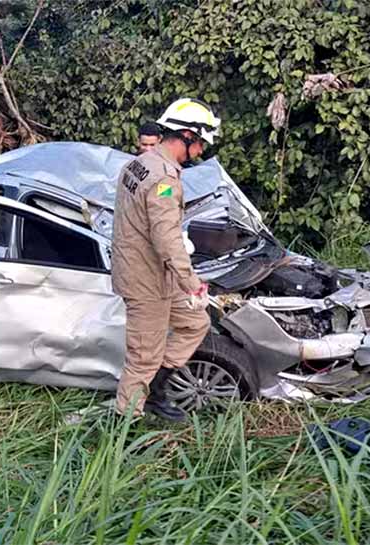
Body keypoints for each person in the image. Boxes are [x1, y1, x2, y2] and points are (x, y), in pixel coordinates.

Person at [111, 98, 221, 421]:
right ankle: (122, 428)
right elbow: (166, 238)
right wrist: (193, 285)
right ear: (186, 135)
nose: (200, 151)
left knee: (195, 323)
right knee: (143, 357)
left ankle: (156, 392)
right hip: (145, 280)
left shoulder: (138, 164)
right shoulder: (163, 179)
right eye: (200, 143)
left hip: (155, 272)